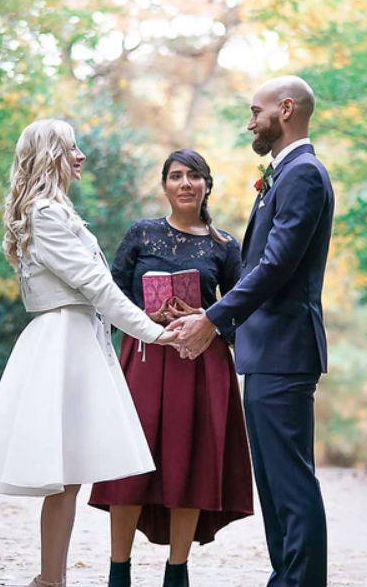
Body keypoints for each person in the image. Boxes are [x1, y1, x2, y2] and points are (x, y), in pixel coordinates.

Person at [0, 119, 177, 587]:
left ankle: (50, 580)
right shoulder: (45, 214)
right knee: (63, 474)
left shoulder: (54, 211)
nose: (80, 156)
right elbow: (96, 285)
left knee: (70, 475)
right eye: (72, 147)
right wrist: (153, 334)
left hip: (78, 338)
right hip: (63, 340)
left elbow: (95, 289)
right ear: (50, 155)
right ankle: (49, 580)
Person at [170, 76, 335, 587]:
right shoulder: (284, 175)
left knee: (290, 482)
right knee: (274, 481)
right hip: (266, 351)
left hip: (286, 350)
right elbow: (256, 271)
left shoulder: (303, 174)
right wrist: (208, 314)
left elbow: (276, 265)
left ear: (285, 109)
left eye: (255, 111)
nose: (250, 122)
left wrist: (214, 319)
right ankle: (284, 577)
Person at [89, 149, 253, 587]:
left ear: (206, 185)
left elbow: (240, 311)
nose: (185, 183)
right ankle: (118, 570)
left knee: (191, 461)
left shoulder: (224, 246)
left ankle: (177, 571)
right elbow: (111, 297)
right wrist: (148, 315)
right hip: (143, 359)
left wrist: (206, 315)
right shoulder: (141, 235)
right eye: (176, 176)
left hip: (200, 365)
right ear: (164, 186)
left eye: (194, 176)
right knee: (131, 463)